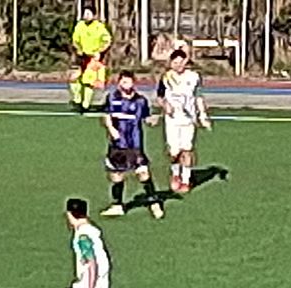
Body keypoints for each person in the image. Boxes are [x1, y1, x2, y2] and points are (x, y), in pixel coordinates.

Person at [98, 71, 161, 219]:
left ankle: (154, 202)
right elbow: (107, 115)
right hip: (117, 144)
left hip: (134, 143)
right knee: (116, 174)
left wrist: (153, 121)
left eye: (129, 81)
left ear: (134, 83)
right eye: (123, 81)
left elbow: (146, 118)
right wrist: (111, 129)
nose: (126, 84)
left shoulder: (141, 101)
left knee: (142, 172)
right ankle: (117, 205)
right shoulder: (112, 97)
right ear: (119, 82)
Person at [156, 49, 211, 194]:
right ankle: (175, 173)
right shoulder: (166, 77)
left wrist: (203, 115)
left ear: (186, 62)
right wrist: (165, 106)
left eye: (181, 62)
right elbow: (160, 97)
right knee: (174, 152)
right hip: (172, 120)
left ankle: (186, 180)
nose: (178, 65)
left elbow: (198, 97)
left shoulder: (193, 77)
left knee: (187, 149)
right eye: (175, 62)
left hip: (188, 120)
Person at [69, 5, 112, 113]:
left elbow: (107, 41)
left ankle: (85, 105)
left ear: (94, 15)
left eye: (88, 13)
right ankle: (77, 100)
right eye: (85, 13)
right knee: (74, 79)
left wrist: (100, 51)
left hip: (93, 58)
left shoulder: (99, 27)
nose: (86, 16)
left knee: (88, 82)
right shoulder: (80, 26)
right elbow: (75, 40)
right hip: (81, 58)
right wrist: (78, 49)